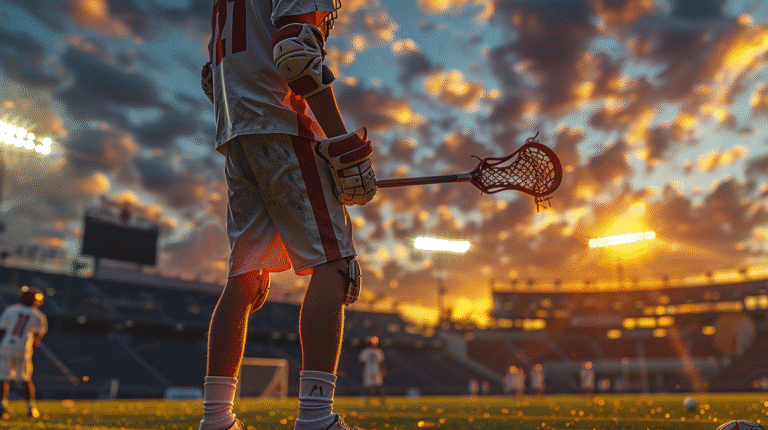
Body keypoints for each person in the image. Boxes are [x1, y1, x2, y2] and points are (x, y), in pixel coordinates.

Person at [198, 0, 377, 428]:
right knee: (334, 263)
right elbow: (295, 52)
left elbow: (211, 78)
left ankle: (216, 418)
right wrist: (341, 140)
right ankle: (315, 417)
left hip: (236, 133)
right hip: (283, 122)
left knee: (244, 277)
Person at [0, 286, 47, 419]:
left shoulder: (11, 310)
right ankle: (31, 407)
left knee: (3, 378)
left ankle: (2, 406)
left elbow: (2, 330)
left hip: (6, 347)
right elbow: (39, 334)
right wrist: (35, 340)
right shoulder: (38, 315)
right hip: (23, 349)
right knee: (26, 379)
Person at [358, 336, 386, 407]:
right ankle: (379, 401)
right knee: (376, 386)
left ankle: (372, 402)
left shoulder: (365, 351)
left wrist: (362, 369)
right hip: (375, 370)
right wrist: (383, 370)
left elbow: (362, 363)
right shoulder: (378, 351)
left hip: (369, 370)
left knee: (373, 387)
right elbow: (381, 362)